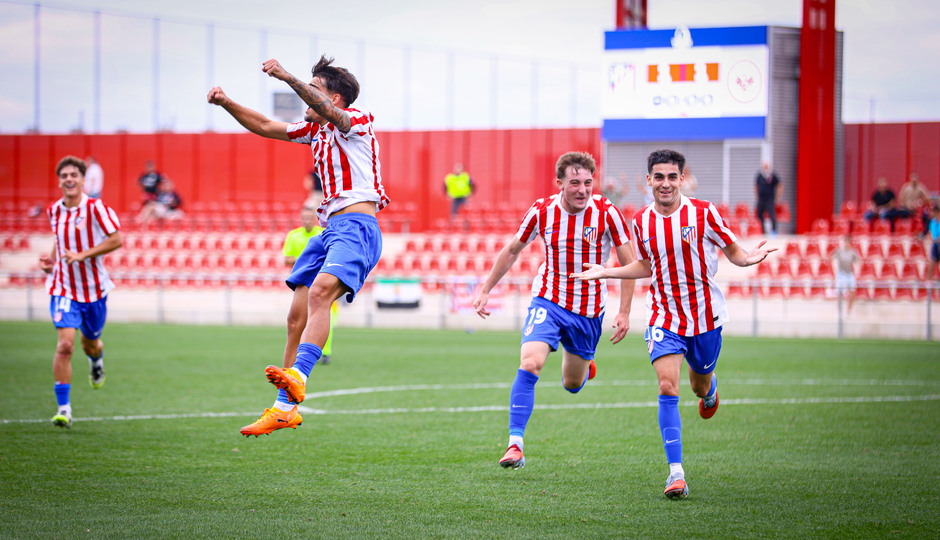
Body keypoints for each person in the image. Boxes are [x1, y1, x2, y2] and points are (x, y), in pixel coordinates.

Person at [571, 149, 776, 499]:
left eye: (671, 177)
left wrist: (749, 260)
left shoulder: (704, 213)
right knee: (668, 387)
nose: (665, 183)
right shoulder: (643, 221)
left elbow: (734, 252)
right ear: (648, 180)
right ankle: (676, 473)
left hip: (705, 317)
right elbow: (647, 265)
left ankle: (709, 390)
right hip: (664, 317)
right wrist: (606, 271)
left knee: (698, 385)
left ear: (682, 178)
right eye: (658, 177)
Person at [208, 54, 389, 437]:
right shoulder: (316, 133)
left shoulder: (357, 122)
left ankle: (299, 378)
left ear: (335, 99)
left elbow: (332, 115)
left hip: (358, 226)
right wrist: (227, 104)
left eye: (315, 90)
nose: (306, 97)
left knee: (322, 293)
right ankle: (282, 408)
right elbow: (262, 124)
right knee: (295, 316)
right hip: (330, 230)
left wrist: (288, 76)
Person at [472, 151, 636, 470]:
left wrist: (624, 311)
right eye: (574, 183)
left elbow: (628, 263)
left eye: (588, 183)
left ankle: (584, 365)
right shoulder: (542, 210)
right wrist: (485, 288)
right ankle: (515, 444)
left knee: (572, 384)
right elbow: (512, 250)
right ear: (559, 183)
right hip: (548, 299)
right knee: (531, 363)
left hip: (588, 312)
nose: (582, 190)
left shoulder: (608, 213)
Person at [38, 156, 123, 428]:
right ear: (60, 180)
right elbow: (58, 239)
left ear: (83, 180)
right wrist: (52, 260)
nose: (69, 179)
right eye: (64, 175)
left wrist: (82, 255)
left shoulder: (96, 208)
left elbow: (116, 239)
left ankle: (96, 360)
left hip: (95, 291)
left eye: (74, 174)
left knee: (90, 343)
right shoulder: (54, 211)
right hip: (63, 288)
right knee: (65, 345)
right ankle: (64, 408)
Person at [282, 206, 337, 365]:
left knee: (324, 315)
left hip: (321, 280)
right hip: (303, 280)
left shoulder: (322, 233)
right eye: (304, 218)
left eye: (309, 217)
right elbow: (286, 258)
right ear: (301, 219)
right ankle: (301, 351)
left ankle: (324, 351)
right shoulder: (294, 235)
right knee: (298, 318)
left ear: (315, 218)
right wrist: (305, 259)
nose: (307, 220)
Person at [831, 234, 859, 313]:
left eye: (848, 241)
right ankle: (839, 311)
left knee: (852, 292)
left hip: (849, 273)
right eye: (845, 241)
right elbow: (832, 258)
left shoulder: (853, 252)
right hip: (841, 273)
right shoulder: (839, 251)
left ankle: (849, 311)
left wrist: (857, 272)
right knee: (840, 293)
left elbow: (857, 262)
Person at [755, 161, 781, 235]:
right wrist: (757, 196)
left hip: (770, 199)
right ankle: (763, 231)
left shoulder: (773, 176)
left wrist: (777, 197)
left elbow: (779, 185)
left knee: (772, 215)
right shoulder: (759, 176)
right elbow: (756, 186)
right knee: (759, 215)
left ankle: (774, 231)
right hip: (761, 198)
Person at [927, 205, 940, 280]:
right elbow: (931, 233)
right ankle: (928, 284)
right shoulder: (932, 222)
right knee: (931, 266)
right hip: (935, 245)